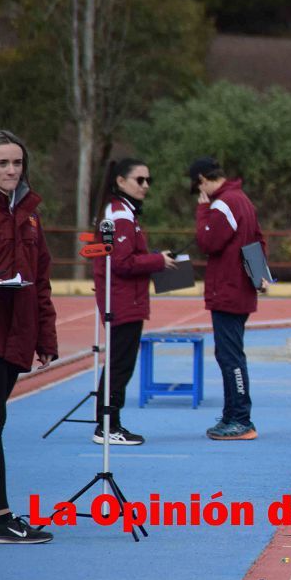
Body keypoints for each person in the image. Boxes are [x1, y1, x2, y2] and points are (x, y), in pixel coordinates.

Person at [92, 158, 176, 445]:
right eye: (139, 180)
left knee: (119, 364)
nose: (145, 186)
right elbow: (122, 262)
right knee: (120, 365)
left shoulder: (122, 213)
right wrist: (158, 260)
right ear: (120, 181)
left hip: (125, 300)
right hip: (122, 301)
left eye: (148, 180)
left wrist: (154, 257)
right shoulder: (121, 216)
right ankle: (107, 426)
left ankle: (108, 424)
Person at [0, 130, 57, 544]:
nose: (11, 171)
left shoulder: (31, 214)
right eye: (2, 163)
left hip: (16, 338)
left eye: (17, 163)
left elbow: (41, 283)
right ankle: (1, 517)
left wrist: (47, 339)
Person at [189, 156, 268, 441]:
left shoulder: (222, 203)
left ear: (202, 180)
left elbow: (208, 242)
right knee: (229, 354)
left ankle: (241, 419)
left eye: (197, 188)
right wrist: (260, 276)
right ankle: (232, 414)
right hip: (241, 287)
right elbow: (258, 239)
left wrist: (202, 212)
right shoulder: (242, 199)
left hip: (227, 289)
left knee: (231, 357)